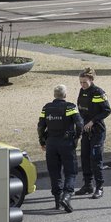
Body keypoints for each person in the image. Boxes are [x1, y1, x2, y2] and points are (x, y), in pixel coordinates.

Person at [37, 84, 83, 213]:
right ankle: (66, 196)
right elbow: (79, 124)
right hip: (66, 143)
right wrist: (77, 137)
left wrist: (42, 141)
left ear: (54, 95)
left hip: (51, 144)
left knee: (54, 173)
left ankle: (57, 201)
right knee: (71, 172)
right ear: (65, 95)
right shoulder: (70, 107)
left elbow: (40, 126)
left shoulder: (47, 108)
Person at [76, 67, 111, 199]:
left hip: (97, 131)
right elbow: (80, 109)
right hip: (86, 130)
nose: (82, 85)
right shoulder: (81, 91)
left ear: (91, 80)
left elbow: (106, 110)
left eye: (84, 82)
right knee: (84, 158)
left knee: (96, 160)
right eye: (80, 82)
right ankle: (88, 185)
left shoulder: (98, 92)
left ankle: (99, 187)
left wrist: (93, 121)